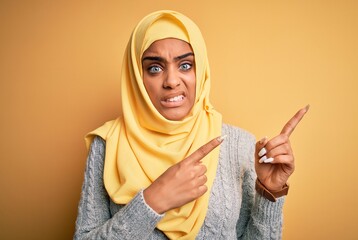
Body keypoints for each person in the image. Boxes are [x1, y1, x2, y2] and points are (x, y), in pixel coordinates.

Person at [74, 10, 309, 240]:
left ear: (202, 70)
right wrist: (153, 201)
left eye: (185, 65)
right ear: (136, 76)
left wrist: (269, 193)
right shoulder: (107, 145)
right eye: (154, 68)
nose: (172, 81)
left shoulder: (239, 145)